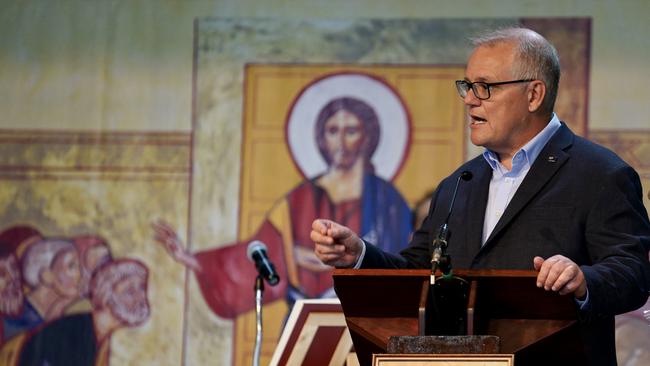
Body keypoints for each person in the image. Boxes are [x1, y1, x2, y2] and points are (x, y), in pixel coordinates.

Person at [311, 27, 650, 365]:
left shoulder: (600, 173)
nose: (469, 99)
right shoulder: (460, 182)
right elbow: (417, 272)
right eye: (467, 86)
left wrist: (582, 280)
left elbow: (634, 271)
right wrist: (360, 255)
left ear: (534, 95)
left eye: (484, 87)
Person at [153, 96, 412, 318]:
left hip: (368, 319)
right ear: (321, 138)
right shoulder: (298, 199)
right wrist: (194, 260)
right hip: (308, 321)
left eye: (351, 130)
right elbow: (261, 252)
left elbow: (402, 265)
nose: (341, 141)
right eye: (333, 131)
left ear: (368, 137)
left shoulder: (388, 200)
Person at [15, 259, 150, 366]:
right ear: (106, 294)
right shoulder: (70, 335)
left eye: (142, 289)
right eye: (130, 291)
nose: (141, 298)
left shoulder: (98, 336)